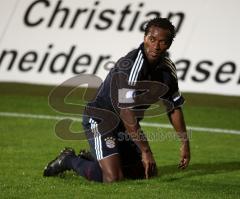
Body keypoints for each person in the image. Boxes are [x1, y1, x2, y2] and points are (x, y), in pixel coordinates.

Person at [43, 17, 190, 183]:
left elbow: (174, 107)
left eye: (162, 42)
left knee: (145, 172)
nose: (156, 46)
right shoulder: (131, 66)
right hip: (101, 119)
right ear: (144, 38)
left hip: (124, 126)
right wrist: (146, 151)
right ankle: (69, 160)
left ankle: (95, 158)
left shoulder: (167, 69)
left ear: (169, 44)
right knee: (113, 178)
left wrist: (184, 142)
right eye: (152, 39)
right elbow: (127, 112)